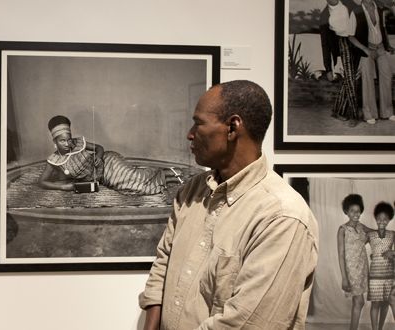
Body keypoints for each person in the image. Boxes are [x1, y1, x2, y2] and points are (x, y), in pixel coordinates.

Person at [138, 80, 319, 329]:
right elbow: (164, 264)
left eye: (199, 123)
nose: (190, 134)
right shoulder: (191, 191)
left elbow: (247, 323)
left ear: (232, 127)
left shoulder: (282, 217)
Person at [37, 115, 184, 196]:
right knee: (129, 187)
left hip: (107, 161)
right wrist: (65, 187)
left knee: (131, 176)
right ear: (54, 141)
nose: (68, 143)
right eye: (62, 140)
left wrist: (99, 158)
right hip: (102, 177)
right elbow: (42, 182)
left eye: (69, 138)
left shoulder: (79, 143)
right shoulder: (54, 161)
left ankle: (168, 174)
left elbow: (99, 148)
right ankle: (166, 176)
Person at [347, 0, 395, 124]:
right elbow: (350, 36)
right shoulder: (356, 12)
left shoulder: (379, 8)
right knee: (367, 80)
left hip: (380, 48)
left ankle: (387, 112)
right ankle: (369, 114)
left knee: (387, 76)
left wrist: (388, 45)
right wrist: (365, 50)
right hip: (366, 49)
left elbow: (382, 28)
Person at [321, 0, 362, 126]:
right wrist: (328, 68)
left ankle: (338, 110)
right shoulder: (324, 15)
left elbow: (361, 17)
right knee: (350, 78)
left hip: (356, 42)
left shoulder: (349, 4)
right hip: (342, 44)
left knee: (350, 78)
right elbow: (325, 44)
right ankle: (354, 115)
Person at [337, 194, 369, 330]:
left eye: (358, 210)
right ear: (346, 212)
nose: (356, 214)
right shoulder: (342, 230)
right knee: (358, 301)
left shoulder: (362, 227)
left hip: (362, 269)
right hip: (351, 271)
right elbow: (341, 254)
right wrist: (344, 278)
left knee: (359, 301)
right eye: (352, 211)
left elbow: (375, 234)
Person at [365, 202, 395, 330]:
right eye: (379, 218)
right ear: (375, 218)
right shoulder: (370, 235)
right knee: (375, 303)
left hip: (389, 275)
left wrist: (393, 252)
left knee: (386, 304)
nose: (382, 221)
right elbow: (357, 247)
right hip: (375, 275)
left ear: (389, 220)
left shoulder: (393, 234)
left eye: (385, 219)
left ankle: (380, 328)